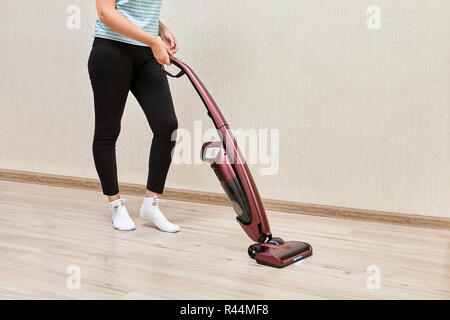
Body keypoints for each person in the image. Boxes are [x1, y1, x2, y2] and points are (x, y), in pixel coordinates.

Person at [88, 0, 179, 232]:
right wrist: (152, 40)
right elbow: (106, 12)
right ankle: (116, 205)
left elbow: (131, 8)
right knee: (108, 132)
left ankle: (151, 203)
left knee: (167, 126)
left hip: (145, 54)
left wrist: (160, 29)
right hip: (111, 50)